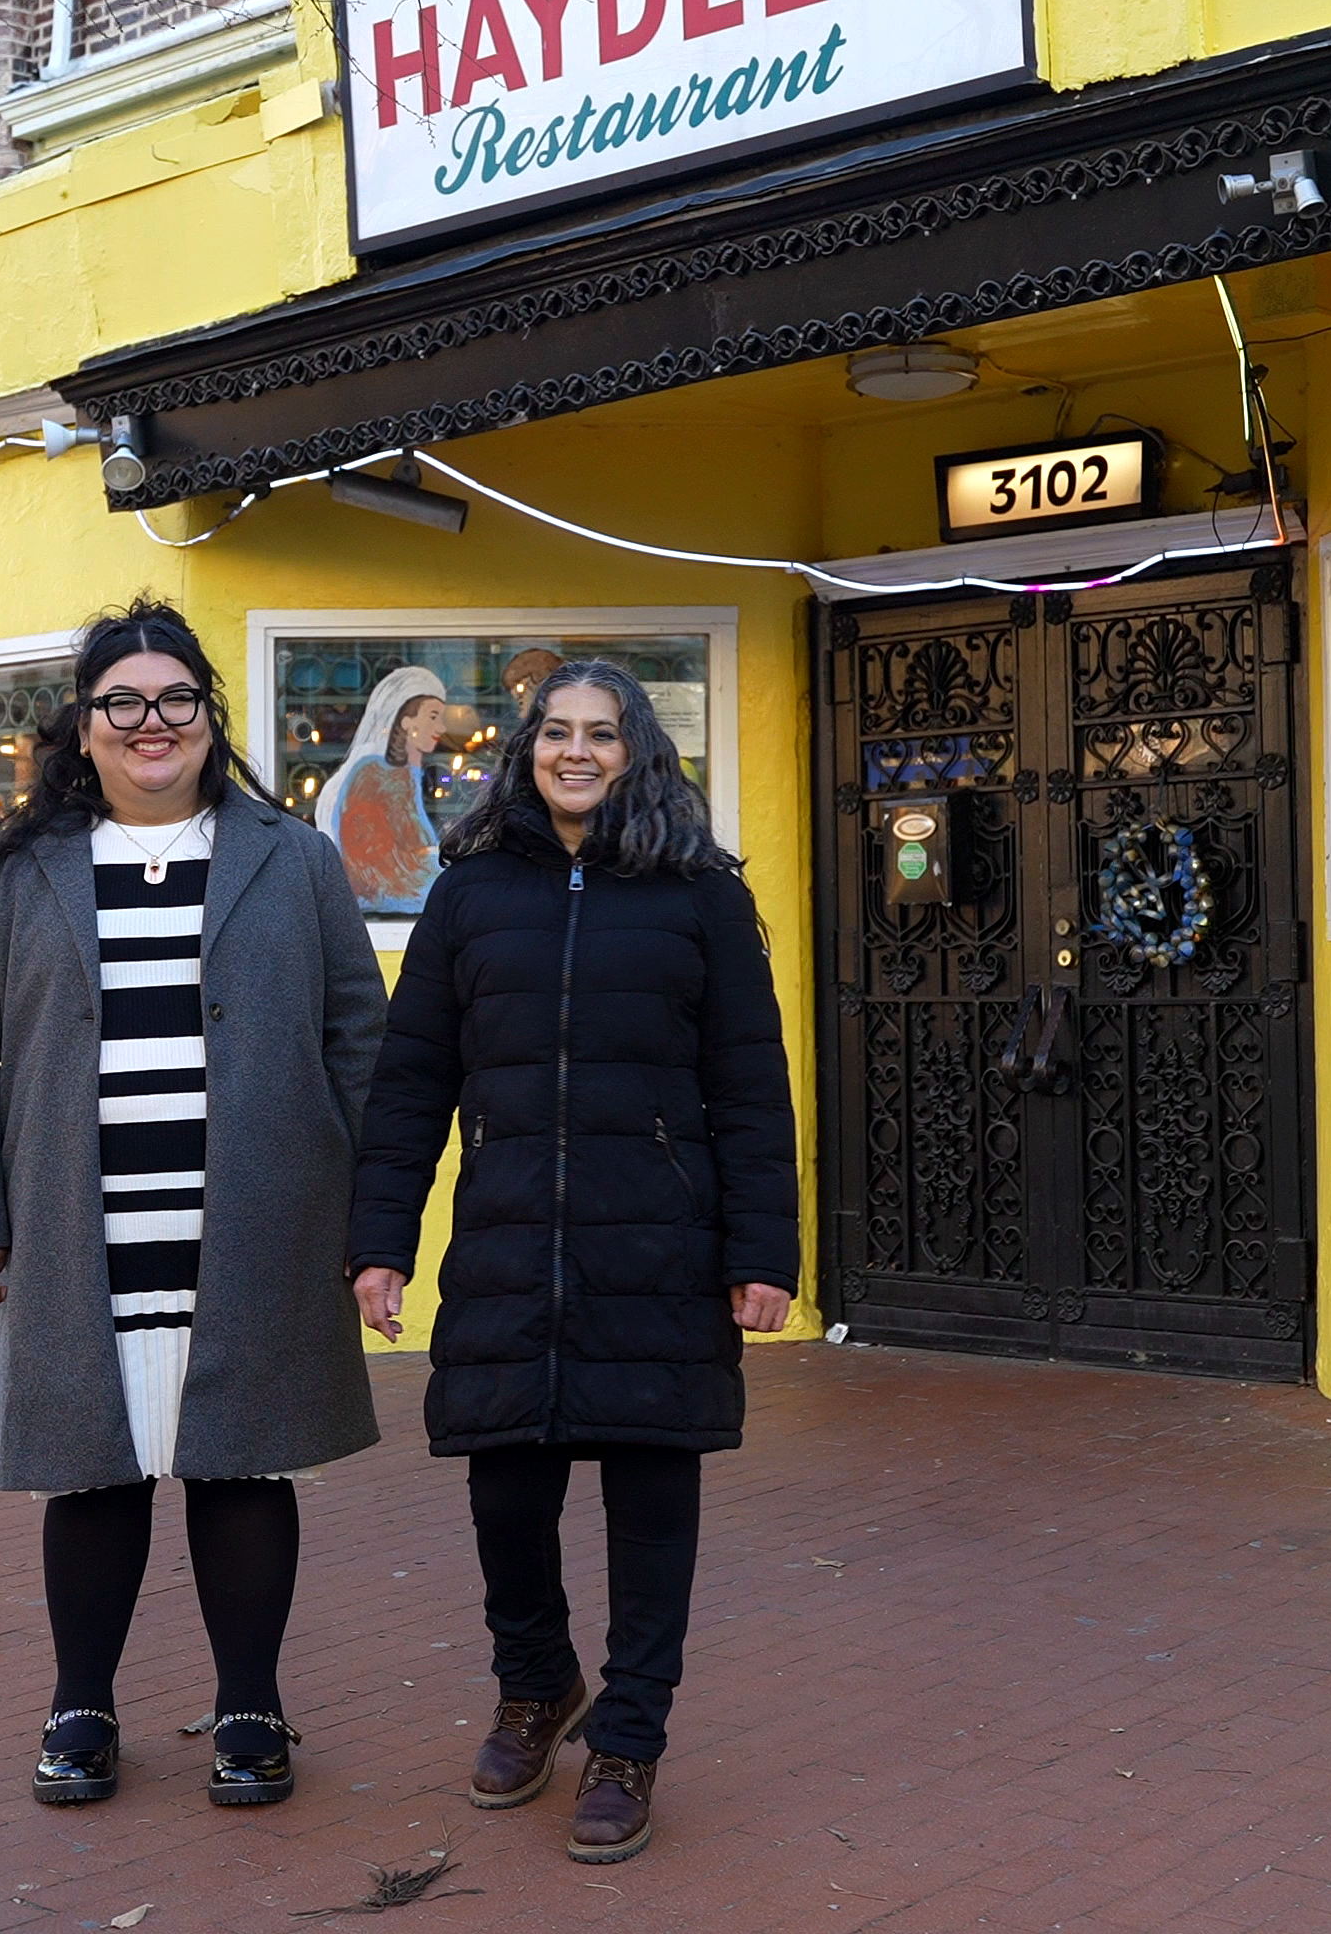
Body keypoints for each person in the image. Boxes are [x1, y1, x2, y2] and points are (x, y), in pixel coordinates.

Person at [0, 595, 390, 1811]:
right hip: (82, 1226)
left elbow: (362, 1044)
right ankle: (82, 1705)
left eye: (175, 700)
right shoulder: (21, 876)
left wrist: (370, 1225)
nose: (150, 723)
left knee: (243, 1468)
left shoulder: (294, 859)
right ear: (82, 728)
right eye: (121, 702)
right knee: (94, 1472)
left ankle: (252, 1705)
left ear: (207, 719)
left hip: (258, 1221)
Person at [347, 660, 799, 1866]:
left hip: (660, 1247)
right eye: (558, 732)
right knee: (505, 1491)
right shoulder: (473, 889)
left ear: (639, 750)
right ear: (526, 748)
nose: (579, 752)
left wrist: (762, 1252)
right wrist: (380, 1242)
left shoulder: (699, 894)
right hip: (508, 1241)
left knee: (653, 1500)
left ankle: (630, 1740)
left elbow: (751, 1091)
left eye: (603, 734)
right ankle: (538, 1685)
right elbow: (411, 1083)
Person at [316, 665, 450, 914]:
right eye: (433, 716)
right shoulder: (373, 774)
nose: (442, 728)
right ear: (406, 720)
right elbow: (375, 868)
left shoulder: (404, 773)